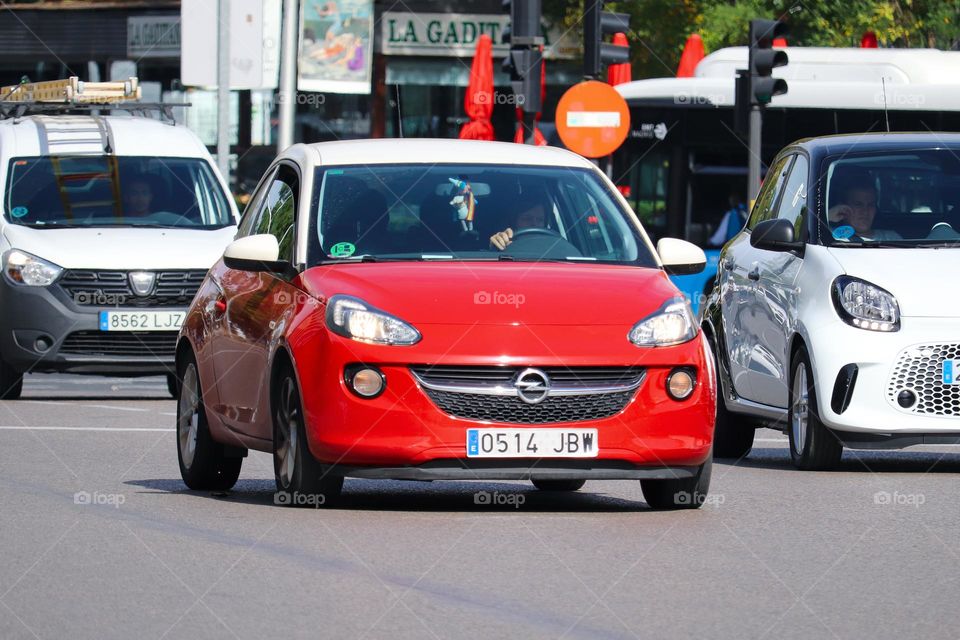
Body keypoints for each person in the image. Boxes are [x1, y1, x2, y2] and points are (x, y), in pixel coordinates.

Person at [827, 173, 902, 241]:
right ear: (843, 207)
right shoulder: (828, 235)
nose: (865, 211)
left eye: (870, 205)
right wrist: (828, 216)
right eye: (858, 204)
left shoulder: (891, 237)